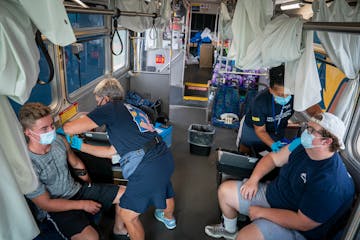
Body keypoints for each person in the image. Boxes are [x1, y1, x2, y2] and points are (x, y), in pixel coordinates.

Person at [206, 112, 355, 240]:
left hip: (297, 227)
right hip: (274, 195)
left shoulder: (331, 183)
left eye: (311, 130)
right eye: (307, 127)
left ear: (326, 141)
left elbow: (302, 222)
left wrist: (262, 212)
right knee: (225, 192)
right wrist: (253, 180)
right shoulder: (299, 144)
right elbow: (272, 158)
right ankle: (229, 230)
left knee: (245, 237)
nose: (305, 132)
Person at [63, 78, 176, 240]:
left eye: (98, 102)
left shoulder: (109, 108)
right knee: (164, 185)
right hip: (163, 157)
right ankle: (169, 218)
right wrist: (79, 146)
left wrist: (81, 117)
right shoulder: (131, 109)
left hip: (147, 167)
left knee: (127, 215)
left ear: (106, 98)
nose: (98, 105)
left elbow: (69, 128)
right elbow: (111, 151)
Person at [19, 102, 128, 240]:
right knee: (91, 238)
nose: (51, 130)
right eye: (44, 128)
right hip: (56, 206)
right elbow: (45, 203)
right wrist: (83, 205)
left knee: (126, 194)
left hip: (76, 190)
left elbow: (76, 164)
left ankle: (118, 230)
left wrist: (89, 185)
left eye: (52, 125)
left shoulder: (58, 140)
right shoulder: (27, 165)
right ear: (28, 132)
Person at [236, 65, 294, 154]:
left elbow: (311, 108)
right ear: (271, 90)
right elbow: (260, 130)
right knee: (246, 152)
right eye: (280, 95)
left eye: (288, 94)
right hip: (254, 131)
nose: (285, 97)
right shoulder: (260, 102)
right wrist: (273, 145)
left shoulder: (295, 95)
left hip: (276, 130)